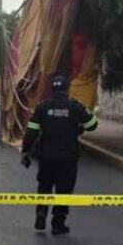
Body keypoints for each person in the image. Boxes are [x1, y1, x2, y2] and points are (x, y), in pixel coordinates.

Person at [20, 75, 98, 235]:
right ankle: (58, 223)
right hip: (68, 156)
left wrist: (25, 151)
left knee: (44, 185)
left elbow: (32, 131)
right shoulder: (75, 107)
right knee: (64, 190)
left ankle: (41, 212)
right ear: (67, 89)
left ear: (52, 89)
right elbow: (92, 125)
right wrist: (79, 127)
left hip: (46, 155)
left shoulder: (42, 107)